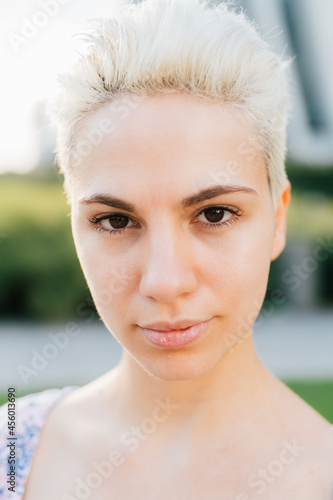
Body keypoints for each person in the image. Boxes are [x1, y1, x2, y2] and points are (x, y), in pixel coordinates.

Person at [1, 0, 333, 498]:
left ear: (278, 218)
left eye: (215, 214)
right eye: (115, 221)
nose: (165, 281)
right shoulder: (11, 453)